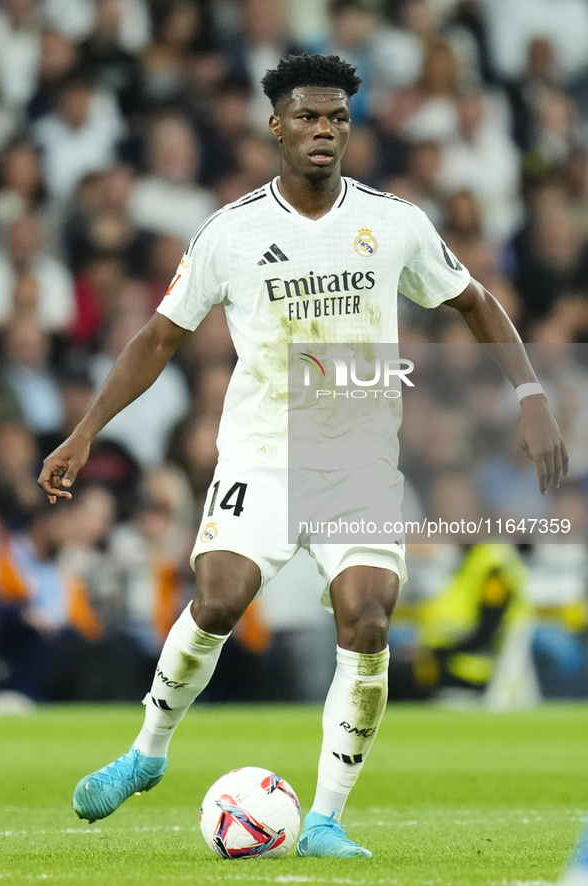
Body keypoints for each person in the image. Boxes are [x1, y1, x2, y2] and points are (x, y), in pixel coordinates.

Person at [38, 53, 568, 859]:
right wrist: (85, 432)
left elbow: (473, 300)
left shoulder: (393, 223)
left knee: (368, 619)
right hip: (261, 452)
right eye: (309, 118)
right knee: (218, 598)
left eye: (337, 119)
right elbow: (157, 337)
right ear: (275, 126)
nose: (324, 131)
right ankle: (147, 752)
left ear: (347, 128)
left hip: (358, 464)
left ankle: (323, 817)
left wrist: (531, 396)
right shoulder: (232, 231)